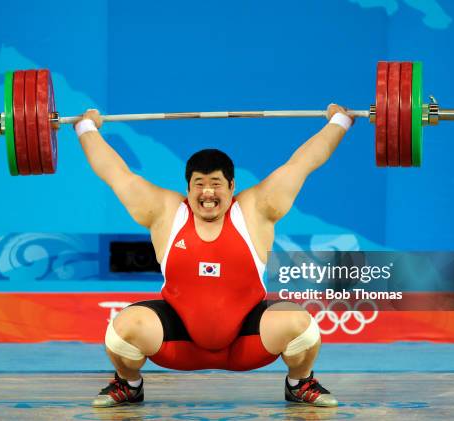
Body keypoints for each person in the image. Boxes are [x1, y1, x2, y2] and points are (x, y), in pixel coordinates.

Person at [73, 104, 354, 407]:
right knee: (122, 330)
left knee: (301, 325)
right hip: (178, 341)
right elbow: (116, 174)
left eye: (216, 184)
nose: (207, 193)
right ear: (188, 188)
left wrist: (340, 120)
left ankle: (299, 383)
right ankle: (129, 385)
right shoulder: (165, 212)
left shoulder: (256, 209)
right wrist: (86, 128)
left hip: (248, 341)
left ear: (232, 187)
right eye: (199, 185)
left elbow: (303, 163)